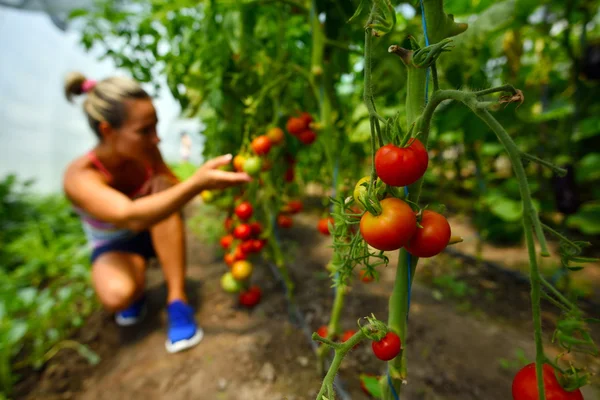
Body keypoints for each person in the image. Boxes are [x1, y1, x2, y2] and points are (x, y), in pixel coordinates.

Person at [62, 72, 251, 353]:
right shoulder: (79, 177)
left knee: (164, 195)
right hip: (115, 243)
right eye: (144, 130)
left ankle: (177, 300)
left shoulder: (147, 153)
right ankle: (135, 279)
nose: (156, 139)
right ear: (106, 130)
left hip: (155, 231)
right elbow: (130, 215)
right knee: (118, 296)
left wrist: (169, 184)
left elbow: (172, 189)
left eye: (156, 128)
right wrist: (196, 184)